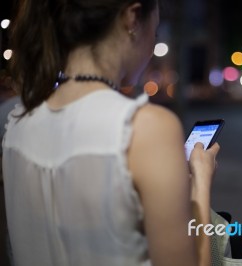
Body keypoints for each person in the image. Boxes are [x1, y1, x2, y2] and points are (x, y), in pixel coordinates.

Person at [2, 0, 220, 265]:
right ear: (132, 18)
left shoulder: (15, 123)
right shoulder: (144, 128)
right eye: (156, 26)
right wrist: (201, 182)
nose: (153, 41)